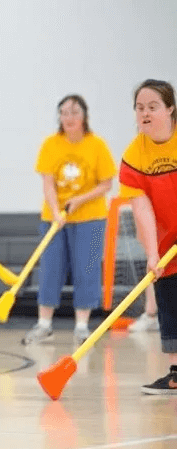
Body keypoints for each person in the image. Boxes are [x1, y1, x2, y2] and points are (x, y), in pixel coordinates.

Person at [22, 95, 115, 345]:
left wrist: (80, 200)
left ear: (84, 116)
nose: (69, 117)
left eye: (74, 112)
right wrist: (55, 211)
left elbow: (106, 184)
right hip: (54, 219)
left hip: (90, 219)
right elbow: (48, 183)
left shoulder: (97, 145)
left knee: (86, 269)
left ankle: (82, 327)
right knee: (51, 269)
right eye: (64, 113)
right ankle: (44, 325)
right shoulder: (51, 144)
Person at [119, 79, 177, 394]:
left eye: (152, 107)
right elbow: (142, 209)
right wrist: (153, 253)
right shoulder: (134, 155)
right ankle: (176, 372)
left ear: (170, 109)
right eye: (140, 108)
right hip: (167, 241)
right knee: (168, 299)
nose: (145, 113)